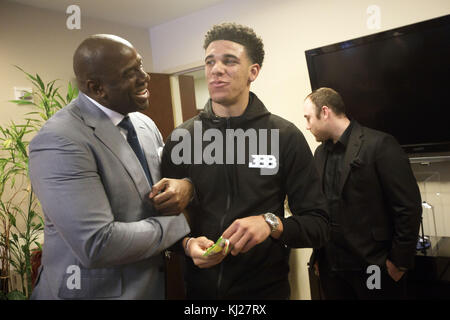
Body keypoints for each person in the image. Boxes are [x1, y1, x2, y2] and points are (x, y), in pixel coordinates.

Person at [161, 23, 329, 299]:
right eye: (210, 62)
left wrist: (271, 223)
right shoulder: (182, 138)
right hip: (200, 293)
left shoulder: (284, 136)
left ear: (254, 71)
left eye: (229, 61)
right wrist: (186, 244)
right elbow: (165, 220)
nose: (216, 69)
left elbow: (318, 224)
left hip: (264, 291)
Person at [29, 34, 193, 300]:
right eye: (131, 73)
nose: (145, 77)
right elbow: (97, 243)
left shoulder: (143, 124)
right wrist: (182, 221)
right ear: (97, 88)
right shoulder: (59, 140)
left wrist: (186, 187)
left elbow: (159, 189)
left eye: (140, 65)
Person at [303, 87, 422, 299]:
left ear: (325, 112)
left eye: (309, 118)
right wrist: (319, 257)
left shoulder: (380, 145)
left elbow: (408, 207)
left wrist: (398, 264)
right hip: (332, 270)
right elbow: (320, 208)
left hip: (373, 266)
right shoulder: (319, 153)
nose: (307, 125)